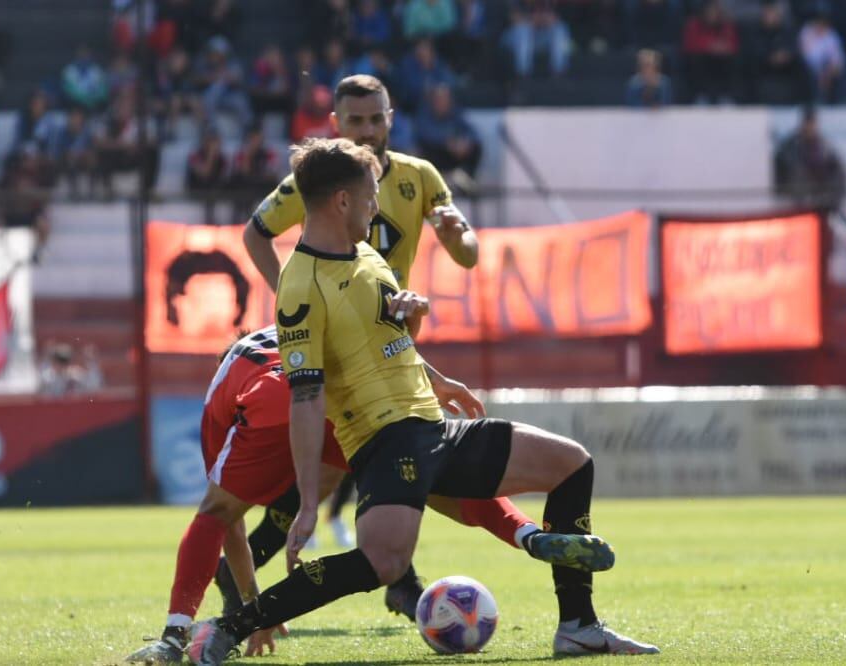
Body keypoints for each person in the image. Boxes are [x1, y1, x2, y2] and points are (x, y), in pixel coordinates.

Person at [187, 137, 659, 664]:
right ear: (342, 200)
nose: (376, 206)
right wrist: (307, 502)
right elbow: (306, 398)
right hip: (384, 440)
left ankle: (578, 626)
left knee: (571, 463)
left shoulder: (364, 253)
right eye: (370, 196)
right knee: (384, 562)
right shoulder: (300, 287)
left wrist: (431, 365)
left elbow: (385, 335)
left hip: (432, 424)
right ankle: (228, 627)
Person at [126, 323, 541, 663]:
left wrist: (252, 605)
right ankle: (527, 533)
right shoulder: (298, 325)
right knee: (428, 477)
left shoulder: (223, 384)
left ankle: (173, 636)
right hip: (343, 398)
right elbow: (379, 342)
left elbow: (225, 523)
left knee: (215, 512)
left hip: (271, 400)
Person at [238, 74, 478, 592]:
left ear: (390, 118)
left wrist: (461, 236)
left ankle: (392, 576)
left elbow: (468, 256)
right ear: (336, 123)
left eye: (376, 119)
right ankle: (398, 578)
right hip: (342, 346)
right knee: (357, 465)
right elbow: (255, 232)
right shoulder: (326, 180)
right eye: (356, 121)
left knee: (361, 466)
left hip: (393, 338)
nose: (367, 130)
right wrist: (294, 295)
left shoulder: (420, 175)